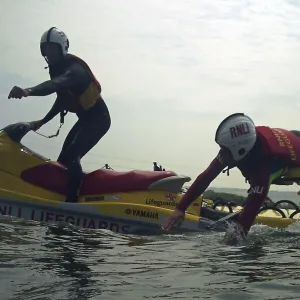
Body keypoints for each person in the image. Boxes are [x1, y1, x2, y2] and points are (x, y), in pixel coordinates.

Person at [8, 27, 111, 203]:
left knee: (72, 155)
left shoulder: (74, 70)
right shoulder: (57, 69)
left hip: (99, 120)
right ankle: (61, 193)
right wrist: (43, 121)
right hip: (86, 120)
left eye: (52, 49)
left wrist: (27, 91)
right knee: (63, 159)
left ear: (62, 48)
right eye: (46, 49)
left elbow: (55, 84)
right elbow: (62, 100)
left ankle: (72, 200)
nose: (49, 53)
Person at [162, 113, 300, 238]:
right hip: (290, 137)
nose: (221, 153)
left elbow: (244, 223)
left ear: (240, 149)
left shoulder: (263, 169)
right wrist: (180, 209)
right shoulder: (237, 145)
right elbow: (206, 177)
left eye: (224, 149)